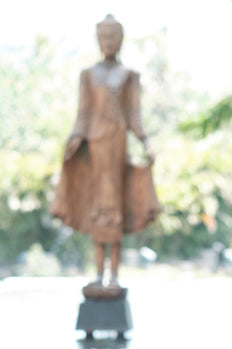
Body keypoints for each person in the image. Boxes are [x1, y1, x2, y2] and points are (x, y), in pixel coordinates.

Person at [50, 14, 160, 290]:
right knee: (98, 204)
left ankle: (115, 277)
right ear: (98, 40)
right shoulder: (88, 76)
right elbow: (83, 114)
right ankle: (99, 274)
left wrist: (146, 141)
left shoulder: (129, 76)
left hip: (117, 143)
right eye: (104, 37)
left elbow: (134, 115)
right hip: (95, 144)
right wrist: (75, 138)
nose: (108, 42)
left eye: (113, 37)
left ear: (120, 40)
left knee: (118, 203)